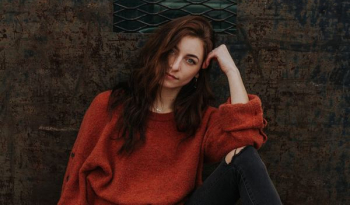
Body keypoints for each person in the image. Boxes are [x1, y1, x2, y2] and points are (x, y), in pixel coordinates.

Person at [58, 15, 282, 205]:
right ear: (159, 50)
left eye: (190, 60)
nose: (175, 66)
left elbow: (247, 139)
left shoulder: (202, 119)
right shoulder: (108, 105)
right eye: (172, 52)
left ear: (198, 72)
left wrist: (232, 71)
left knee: (244, 157)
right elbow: (76, 179)